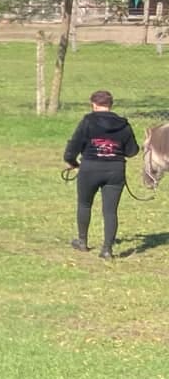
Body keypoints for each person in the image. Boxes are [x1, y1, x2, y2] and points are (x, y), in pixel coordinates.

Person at [65, 89, 140, 259]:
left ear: (93, 104)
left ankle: (82, 241)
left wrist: (72, 162)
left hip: (90, 167)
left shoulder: (88, 121)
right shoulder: (124, 125)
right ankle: (107, 249)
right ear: (111, 105)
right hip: (115, 171)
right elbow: (132, 151)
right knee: (110, 211)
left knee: (84, 204)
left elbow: (74, 145)